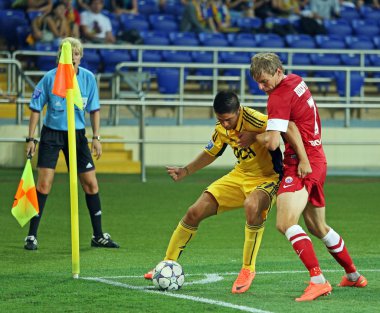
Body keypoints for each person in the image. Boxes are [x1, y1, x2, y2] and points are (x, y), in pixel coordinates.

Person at [249, 52, 367, 301]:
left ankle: (318, 280)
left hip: (301, 165)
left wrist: (252, 136)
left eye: (264, 81)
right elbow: (291, 126)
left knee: (285, 223)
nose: (261, 87)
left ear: (278, 72)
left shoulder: (278, 96)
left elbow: (272, 142)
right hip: (317, 158)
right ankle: (353, 275)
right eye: (257, 82)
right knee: (317, 226)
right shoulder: (295, 80)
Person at [144, 90, 284, 294]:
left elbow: (278, 135)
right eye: (220, 119)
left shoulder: (258, 120)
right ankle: (167, 265)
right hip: (239, 175)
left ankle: (247, 269)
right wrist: (185, 170)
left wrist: (254, 136)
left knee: (252, 206)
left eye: (227, 119)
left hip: (268, 178)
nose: (224, 124)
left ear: (238, 111)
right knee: (194, 212)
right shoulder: (221, 128)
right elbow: (211, 153)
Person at [24, 37, 119, 250]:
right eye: (68, 53)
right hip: (51, 135)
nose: (73, 57)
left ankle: (98, 236)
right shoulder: (50, 78)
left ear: (80, 56)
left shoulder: (87, 79)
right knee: (44, 184)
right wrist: (31, 139)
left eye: (76, 53)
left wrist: (96, 137)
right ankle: (31, 235)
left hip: (77, 135)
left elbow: (94, 109)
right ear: (61, 56)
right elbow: (35, 108)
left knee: (91, 184)